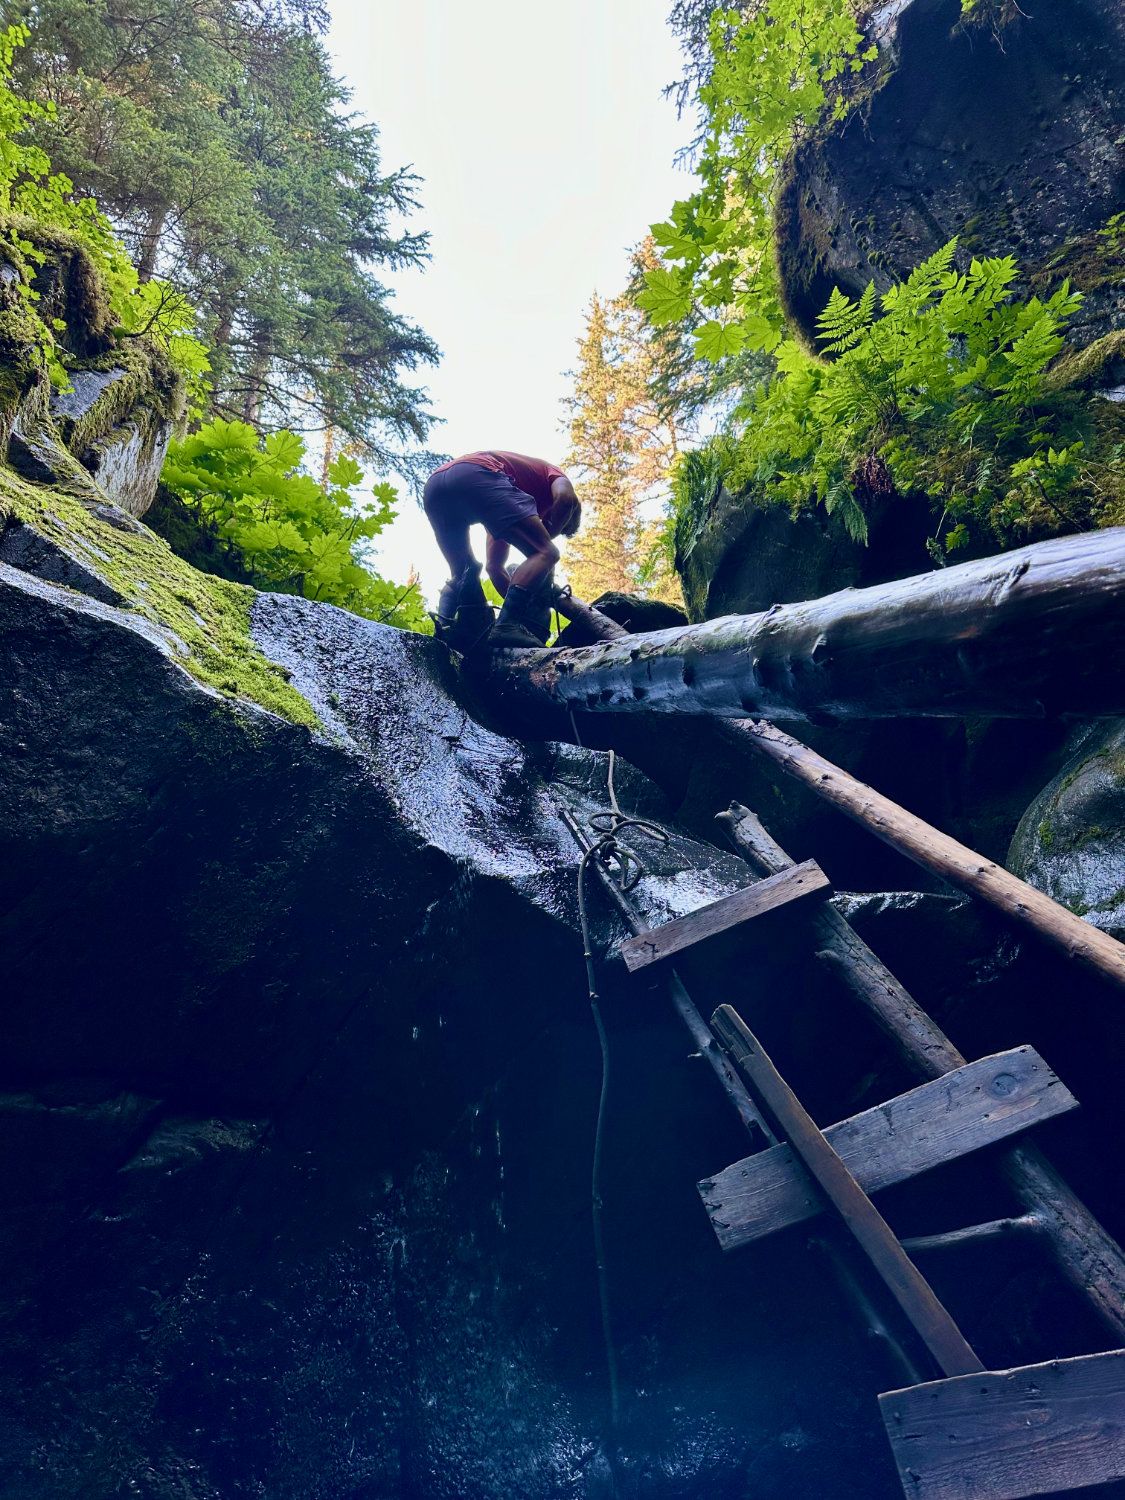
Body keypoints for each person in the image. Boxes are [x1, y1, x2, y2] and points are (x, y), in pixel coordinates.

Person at [423, 450, 582, 649]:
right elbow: (566, 499)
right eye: (557, 522)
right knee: (547, 553)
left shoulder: (504, 504)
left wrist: (519, 605)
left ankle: (442, 634)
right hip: (477, 474)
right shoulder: (554, 475)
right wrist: (546, 539)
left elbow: (495, 567)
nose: (546, 522)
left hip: (435, 487)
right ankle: (507, 626)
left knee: (463, 572)